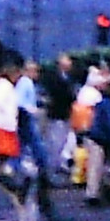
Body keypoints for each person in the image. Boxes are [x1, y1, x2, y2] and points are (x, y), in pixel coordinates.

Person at [83, 77, 110, 205]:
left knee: (98, 167)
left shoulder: (104, 102)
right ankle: (92, 195)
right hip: (98, 138)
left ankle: (97, 192)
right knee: (95, 166)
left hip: (100, 138)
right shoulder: (109, 104)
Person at [41, 54, 78, 182]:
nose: (70, 64)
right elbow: (57, 93)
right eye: (67, 61)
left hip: (67, 113)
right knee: (55, 141)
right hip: (57, 113)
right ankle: (52, 166)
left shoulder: (70, 77)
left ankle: (60, 163)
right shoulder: (54, 77)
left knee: (64, 140)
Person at [14, 60, 49, 181]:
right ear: (28, 71)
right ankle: (43, 168)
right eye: (35, 70)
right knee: (36, 144)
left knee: (22, 145)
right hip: (26, 118)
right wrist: (32, 110)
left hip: (24, 118)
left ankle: (15, 168)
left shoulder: (25, 82)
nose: (37, 73)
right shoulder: (26, 82)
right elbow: (19, 101)